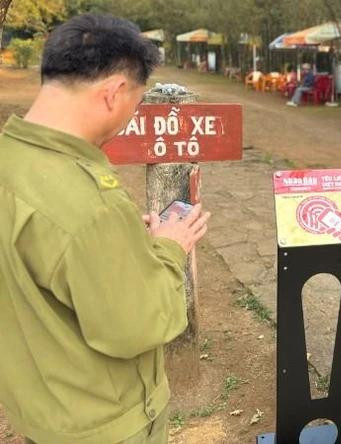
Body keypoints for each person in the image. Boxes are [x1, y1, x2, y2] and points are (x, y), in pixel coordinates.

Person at [0, 14, 210, 444]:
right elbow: (137, 326)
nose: (131, 116)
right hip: (108, 423)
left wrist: (127, 247)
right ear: (114, 92)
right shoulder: (93, 204)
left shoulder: (10, 161)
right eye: (135, 102)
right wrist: (169, 248)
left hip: (41, 411)